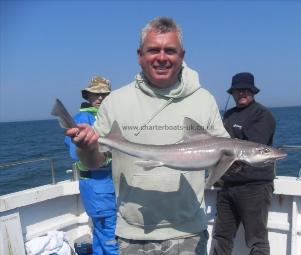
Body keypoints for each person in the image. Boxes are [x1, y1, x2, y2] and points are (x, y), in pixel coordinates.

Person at [66, 16, 228, 255]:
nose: (162, 57)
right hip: (133, 233)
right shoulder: (115, 102)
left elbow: (223, 150)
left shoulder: (204, 100)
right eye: (153, 50)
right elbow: (94, 162)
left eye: (170, 50)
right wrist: (87, 147)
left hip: (189, 232)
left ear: (182, 55)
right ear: (140, 55)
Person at [212, 72, 276, 255]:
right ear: (232, 93)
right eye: (237, 90)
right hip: (228, 185)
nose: (242, 93)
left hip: (254, 185)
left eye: (246, 90)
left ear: (253, 91)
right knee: (221, 236)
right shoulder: (229, 114)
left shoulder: (263, 115)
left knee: (257, 240)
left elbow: (252, 150)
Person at [64, 76, 119, 255]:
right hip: (99, 189)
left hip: (107, 188)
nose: (101, 98)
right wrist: (111, 157)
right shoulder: (82, 118)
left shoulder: (109, 116)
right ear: (88, 96)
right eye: (96, 94)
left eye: (105, 94)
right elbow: (76, 154)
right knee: (111, 239)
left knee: (99, 237)